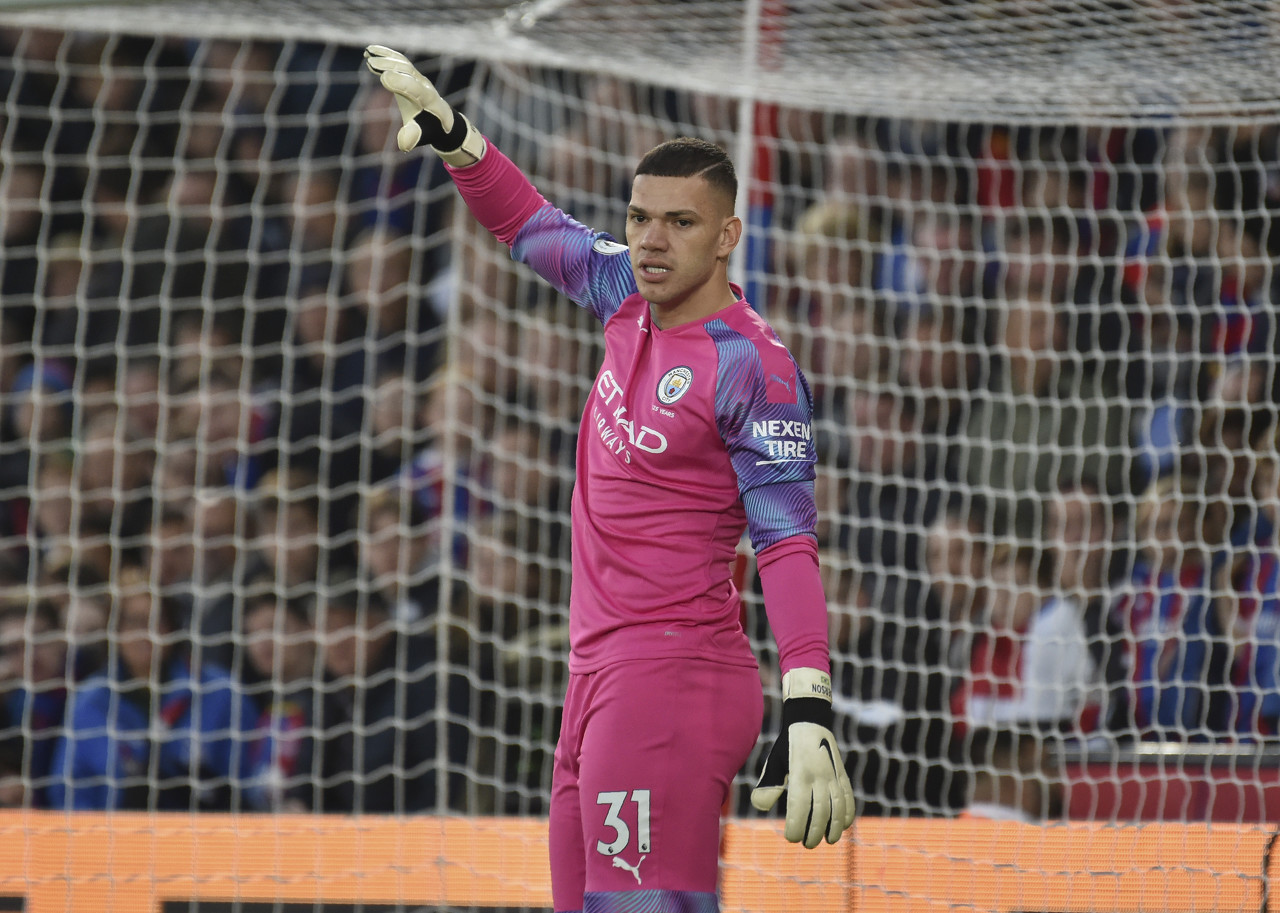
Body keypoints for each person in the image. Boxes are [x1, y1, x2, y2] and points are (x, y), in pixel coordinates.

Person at [365, 45, 855, 913]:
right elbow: (532, 225)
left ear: (727, 237)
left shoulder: (753, 366)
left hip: (672, 675)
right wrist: (458, 141)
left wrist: (808, 702)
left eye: (681, 222)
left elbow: (785, 543)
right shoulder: (625, 288)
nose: (653, 239)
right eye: (639, 217)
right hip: (595, 676)